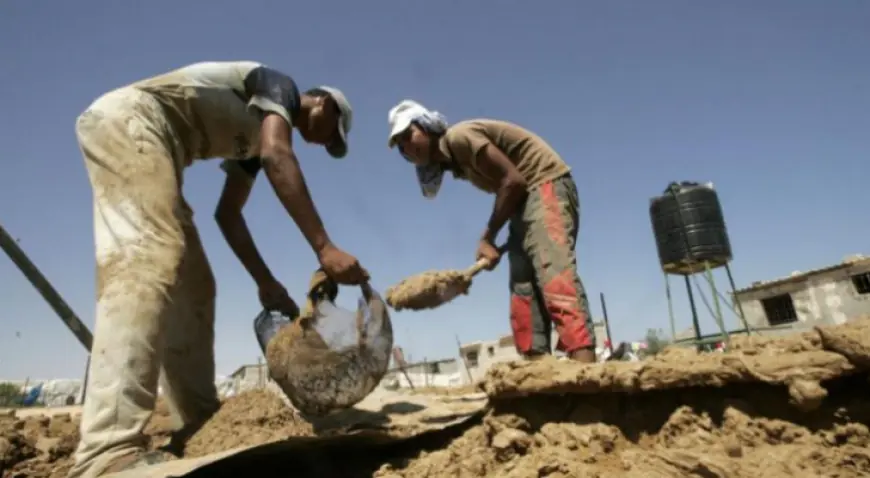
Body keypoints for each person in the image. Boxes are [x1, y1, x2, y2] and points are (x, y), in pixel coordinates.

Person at [69, 61, 369, 477]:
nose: (323, 143)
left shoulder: (253, 144)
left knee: (196, 287)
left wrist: (266, 283)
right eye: (331, 133)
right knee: (148, 255)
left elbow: (228, 214)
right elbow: (277, 154)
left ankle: (198, 422)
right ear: (325, 104)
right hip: (132, 120)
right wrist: (324, 247)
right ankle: (107, 449)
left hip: (162, 149)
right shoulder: (280, 87)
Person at [387, 100, 596, 364]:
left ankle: (587, 378)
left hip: (544, 183)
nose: (407, 148)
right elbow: (511, 190)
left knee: (553, 275)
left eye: (408, 135)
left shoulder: (459, 138)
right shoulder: (456, 164)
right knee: (523, 291)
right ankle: (538, 376)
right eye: (400, 147)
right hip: (522, 204)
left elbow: (514, 181)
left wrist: (488, 237)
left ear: (427, 127)